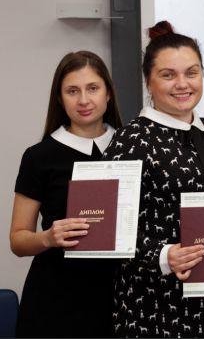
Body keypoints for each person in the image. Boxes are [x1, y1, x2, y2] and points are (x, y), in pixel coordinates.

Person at [103, 21, 204, 338]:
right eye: (168, 75)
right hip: (155, 305)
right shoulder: (130, 140)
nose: (182, 84)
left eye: (192, 73)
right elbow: (106, 231)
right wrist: (164, 256)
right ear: (148, 81)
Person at [10, 51, 123, 337]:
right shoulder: (39, 157)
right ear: (60, 99)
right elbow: (18, 240)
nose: (84, 100)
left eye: (93, 88)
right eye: (72, 91)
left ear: (108, 93)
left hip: (121, 296)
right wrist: (47, 238)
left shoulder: (132, 148)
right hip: (57, 299)